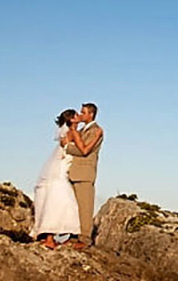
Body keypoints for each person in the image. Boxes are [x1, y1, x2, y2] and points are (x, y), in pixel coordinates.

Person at [29, 109, 83, 249]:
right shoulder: (74, 133)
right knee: (61, 203)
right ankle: (50, 238)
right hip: (61, 171)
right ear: (71, 120)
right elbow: (83, 150)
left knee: (53, 201)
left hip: (59, 167)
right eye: (77, 115)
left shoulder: (64, 134)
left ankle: (48, 236)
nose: (79, 116)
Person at [66, 102, 104, 247]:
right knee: (74, 206)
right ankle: (75, 235)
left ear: (91, 114)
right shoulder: (81, 129)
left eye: (83, 112)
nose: (80, 115)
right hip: (74, 172)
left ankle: (85, 238)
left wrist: (67, 148)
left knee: (85, 206)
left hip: (85, 172)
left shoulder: (96, 130)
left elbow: (84, 150)